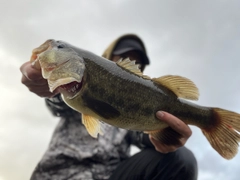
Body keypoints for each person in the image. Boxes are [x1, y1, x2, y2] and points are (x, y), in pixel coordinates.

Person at [20, 34, 198, 180]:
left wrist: (167, 138)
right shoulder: (76, 83)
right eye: (124, 58)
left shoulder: (136, 111)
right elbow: (57, 105)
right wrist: (47, 86)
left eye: (138, 63)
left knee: (182, 159)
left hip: (111, 176)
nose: (133, 64)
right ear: (108, 58)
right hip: (58, 175)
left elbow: (144, 137)